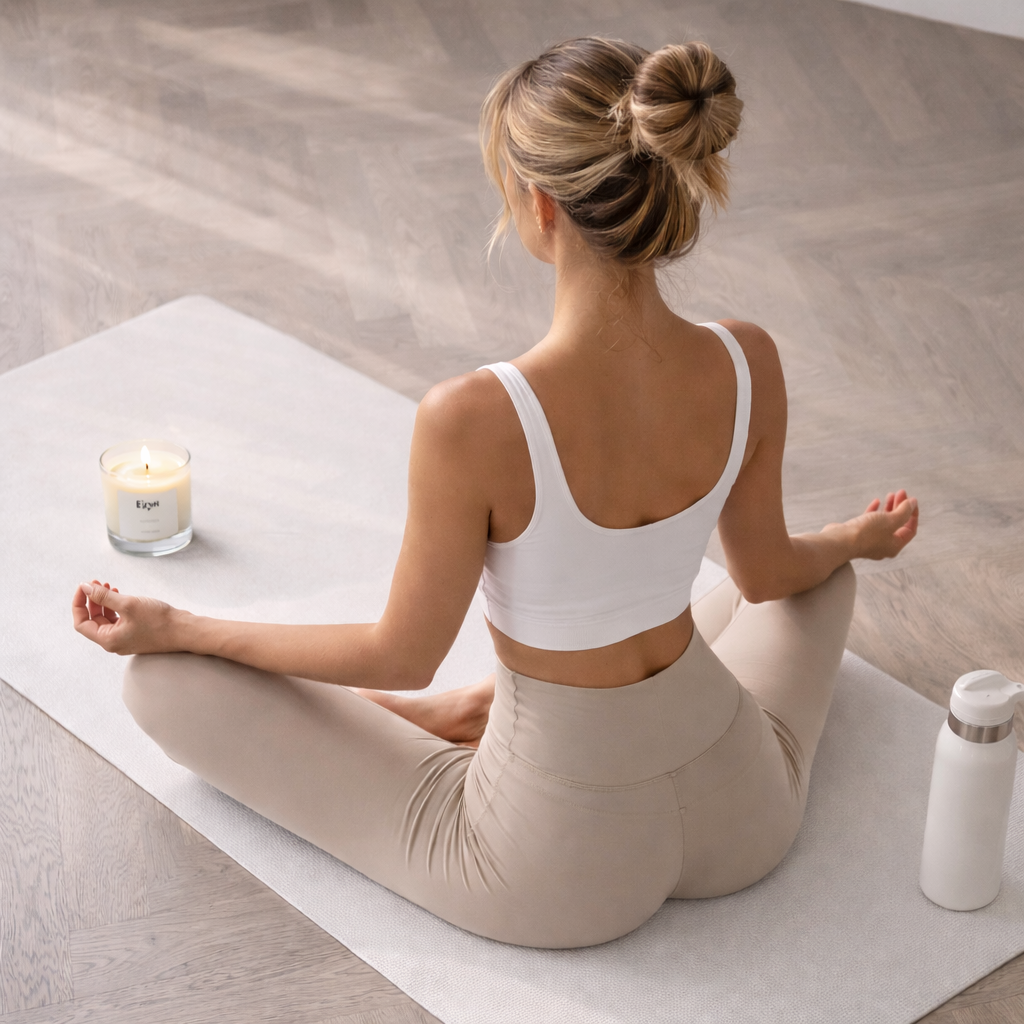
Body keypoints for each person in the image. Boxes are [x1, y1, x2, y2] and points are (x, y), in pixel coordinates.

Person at [72, 37, 918, 949]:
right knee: (820, 579)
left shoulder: (475, 415)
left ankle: (465, 717)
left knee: (159, 686)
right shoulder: (748, 358)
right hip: (745, 812)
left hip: (554, 868)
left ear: (540, 206)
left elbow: (399, 654)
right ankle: (475, 712)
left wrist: (180, 628)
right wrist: (851, 542)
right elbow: (766, 573)